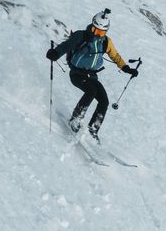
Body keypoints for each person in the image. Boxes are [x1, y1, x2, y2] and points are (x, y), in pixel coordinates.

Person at [46, 9, 138, 140]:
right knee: (91, 91)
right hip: (77, 73)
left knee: (104, 101)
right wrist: (55, 53)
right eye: (96, 31)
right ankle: (75, 119)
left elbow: (115, 56)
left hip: (92, 76)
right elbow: (66, 45)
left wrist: (127, 68)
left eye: (101, 32)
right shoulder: (80, 36)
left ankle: (93, 129)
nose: (98, 34)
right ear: (92, 26)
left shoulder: (106, 42)